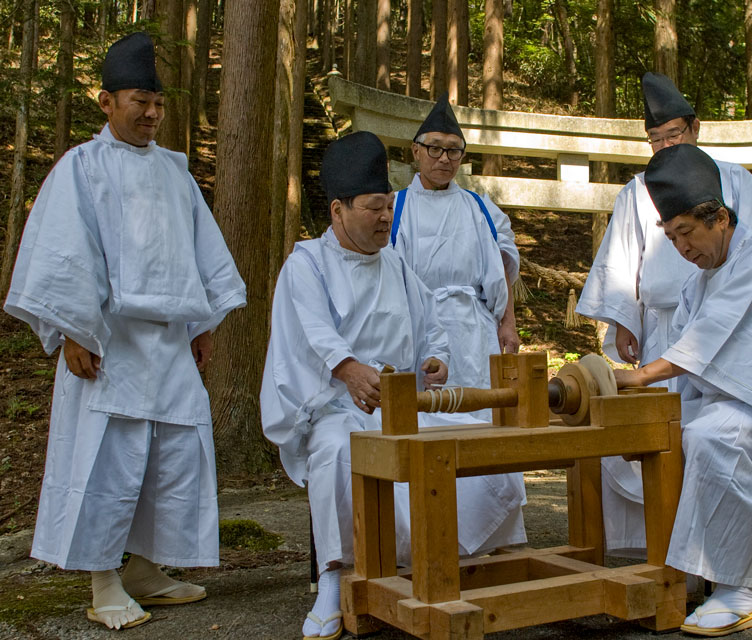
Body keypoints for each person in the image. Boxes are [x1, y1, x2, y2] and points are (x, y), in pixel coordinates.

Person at [3, 32, 246, 631]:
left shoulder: (176, 172)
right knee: (107, 461)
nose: (153, 113)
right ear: (107, 102)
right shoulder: (80, 168)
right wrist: (72, 331)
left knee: (173, 458)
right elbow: (63, 254)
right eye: (141, 100)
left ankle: (143, 569)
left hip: (169, 344)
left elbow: (198, 254)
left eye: (159, 103)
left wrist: (202, 323)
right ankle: (102, 579)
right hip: (109, 341)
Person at [260, 131, 526, 640]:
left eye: (387, 206)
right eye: (373, 208)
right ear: (338, 210)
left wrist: (435, 359)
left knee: (483, 443)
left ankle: (460, 561)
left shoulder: (396, 264)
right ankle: (334, 582)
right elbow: (312, 331)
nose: (386, 217)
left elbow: (431, 329)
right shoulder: (306, 265)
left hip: (402, 404)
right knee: (339, 452)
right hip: (334, 408)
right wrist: (348, 369)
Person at [613, 144, 752, 637]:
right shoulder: (697, 282)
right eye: (671, 237)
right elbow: (692, 353)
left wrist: (639, 375)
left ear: (719, 217)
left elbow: (713, 333)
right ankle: (679, 571)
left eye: (687, 233)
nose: (682, 248)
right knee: (643, 438)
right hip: (721, 398)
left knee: (718, 438)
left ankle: (736, 588)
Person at [576, 72, 752, 556]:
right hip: (664, 327)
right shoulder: (636, 191)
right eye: (656, 139)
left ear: (695, 128)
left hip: (731, 328)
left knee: (712, 430)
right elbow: (623, 258)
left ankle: (735, 541)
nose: (666, 144)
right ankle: (650, 541)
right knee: (652, 428)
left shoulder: (735, 182)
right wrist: (624, 317)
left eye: (674, 134)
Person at [391, 94, 521, 403]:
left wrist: (509, 323)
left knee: (481, 408)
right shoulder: (396, 207)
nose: (444, 158)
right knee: (424, 411)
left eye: (453, 151)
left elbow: (501, 265)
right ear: (416, 152)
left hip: (473, 326)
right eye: (435, 148)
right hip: (418, 324)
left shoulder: (478, 206)